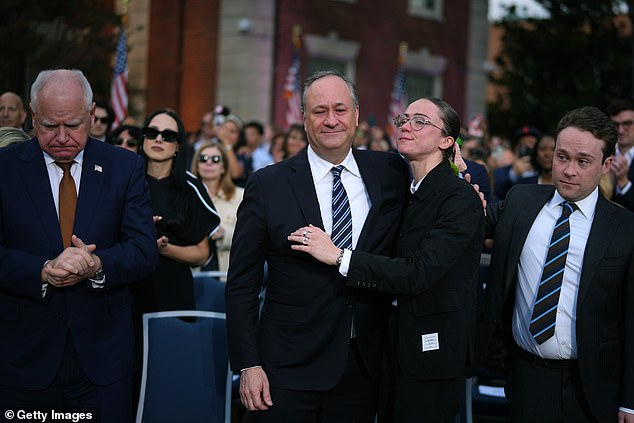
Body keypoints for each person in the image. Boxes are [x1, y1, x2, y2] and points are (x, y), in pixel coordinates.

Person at [225, 70, 411, 423]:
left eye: (340, 110)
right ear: (303, 118)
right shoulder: (268, 185)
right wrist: (249, 364)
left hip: (363, 365)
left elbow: (430, 202)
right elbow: (242, 284)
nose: (331, 120)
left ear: (356, 114)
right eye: (319, 111)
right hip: (286, 369)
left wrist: (460, 178)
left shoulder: (390, 172)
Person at [288, 97, 486, 422]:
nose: (406, 125)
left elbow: (417, 273)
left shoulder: (458, 197)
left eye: (420, 121)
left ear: (447, 140)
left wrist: (338, 256)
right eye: (404, 119)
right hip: (392, 347)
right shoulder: (405, 189)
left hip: (431, 358)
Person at [0, 69, 158, 422]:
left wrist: (97, 265)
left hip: (104, 360)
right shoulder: (5, 169)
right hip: (22, 358)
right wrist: (41, 271)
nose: (60, 138)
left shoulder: (125, 167)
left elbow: (143, 250)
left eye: (72, 125)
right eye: (48, 126)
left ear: (91, 115)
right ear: (31, 115)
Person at [477, 106, 634, 423]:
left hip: (593, 388)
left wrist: (629, 401)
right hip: (525, 378)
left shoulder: (625, 228)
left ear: (606, 165)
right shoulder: (520, 202)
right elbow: (465, 222)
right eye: (562, 157)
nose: (569, 170)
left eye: (583, 161)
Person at [132, 108, 220, 315]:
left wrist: (165, 249)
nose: (159, 139)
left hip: (172, 291)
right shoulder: (124, 182)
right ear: (143, 139)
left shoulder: (191, 188)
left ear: (178, 146)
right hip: (126, 291)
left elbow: (201, 253)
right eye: (152, 133)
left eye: (168, 136)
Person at [191, 141, 244, 273]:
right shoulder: (185, 196)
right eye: (203, 159)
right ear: (196, 166)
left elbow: (251, 233)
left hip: (228, 272)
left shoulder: (241, 195)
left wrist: (224, 234)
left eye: (215, 159)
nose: (209, 163)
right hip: (194, 272)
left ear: (223, 167)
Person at [606, 98, 634, 210]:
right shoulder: (602, 152)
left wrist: (624, 183)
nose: (621, 130)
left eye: (627, 124)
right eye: (615, 124)